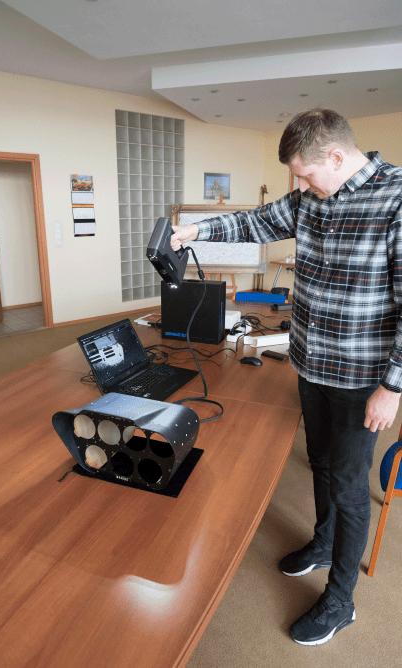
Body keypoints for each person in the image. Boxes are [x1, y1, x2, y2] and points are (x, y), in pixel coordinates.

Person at [171, 108, 402, 646]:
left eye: (305, 174)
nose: (299, 187)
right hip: (311, 364)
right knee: (319, 463)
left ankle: (341, 602)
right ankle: (322, 543)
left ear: (337, 157)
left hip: (361, 378)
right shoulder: (309, 199)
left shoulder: (395, 199)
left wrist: (392, 386)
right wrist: (197, 230)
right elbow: (255, 221)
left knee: (348, 487)